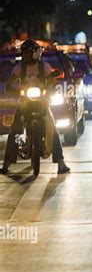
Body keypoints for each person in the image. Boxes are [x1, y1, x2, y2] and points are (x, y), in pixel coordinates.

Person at [1, 40, 70, 174]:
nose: (24, 55)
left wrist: (51, 87)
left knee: (52, 129)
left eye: (27, 52)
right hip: (24, 103)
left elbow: (51, 80)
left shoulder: (44, 66)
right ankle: (6, 163)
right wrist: (13, 89)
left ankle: (61, 162)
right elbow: (9, 83)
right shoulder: (19, 68)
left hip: (42, 103)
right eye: (24, 52)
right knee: (15, 130)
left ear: (35, 53)